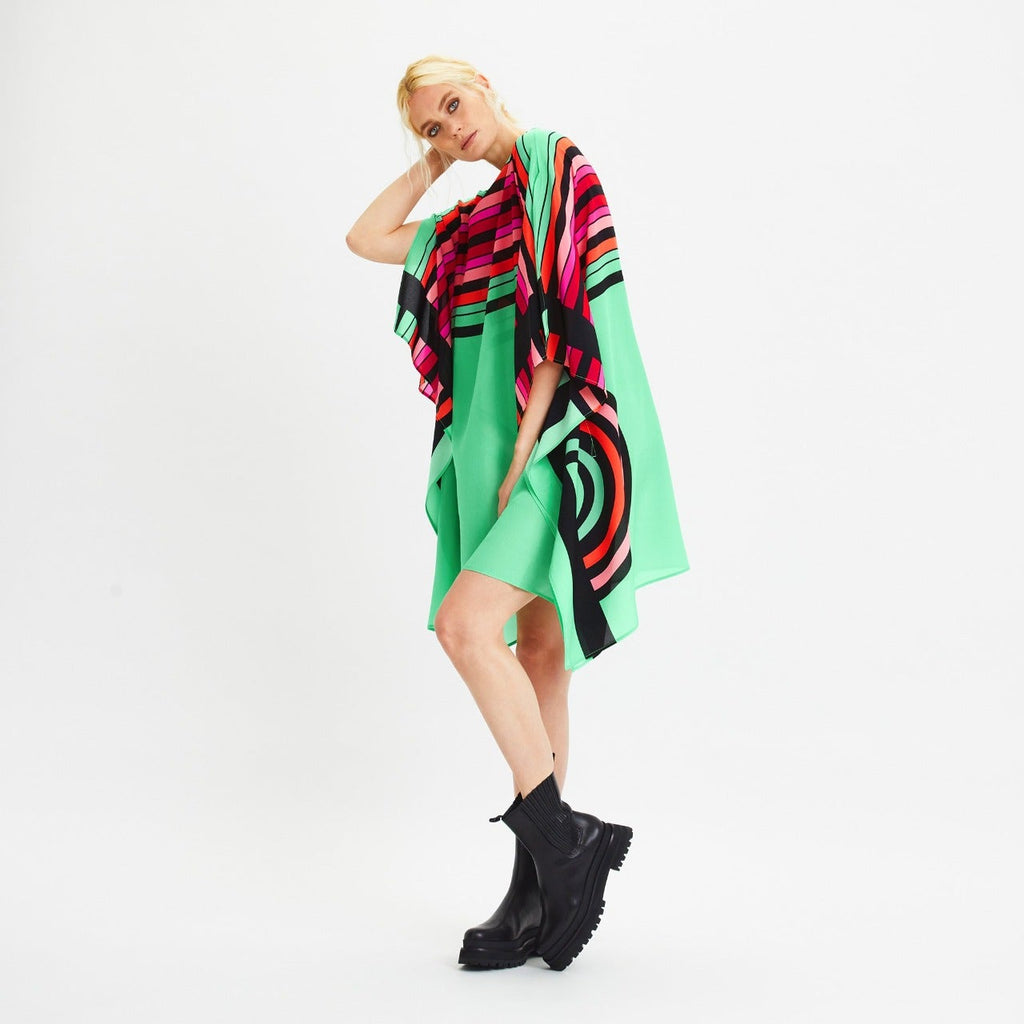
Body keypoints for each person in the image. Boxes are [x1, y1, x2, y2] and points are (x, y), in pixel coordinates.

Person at [346, 54, 690, 971]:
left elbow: (562, 319)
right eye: (431, 126)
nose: (451, 128)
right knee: (537, 658)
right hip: (491, 453)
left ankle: (566, 843)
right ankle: (537, 886)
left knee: (465, 628)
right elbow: (366, 237)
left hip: (556, 444)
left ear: (487, 84)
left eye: (454, 106)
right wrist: (435, 163)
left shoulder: (554, 162)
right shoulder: (470, 222)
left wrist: (528, 449)